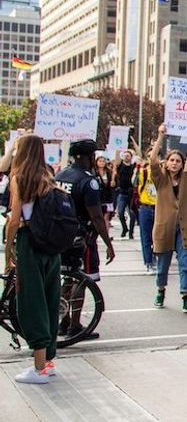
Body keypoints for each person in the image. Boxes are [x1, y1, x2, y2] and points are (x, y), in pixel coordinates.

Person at [5, 135, 64, 383]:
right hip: (51, 246)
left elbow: (15, 218)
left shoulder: (20, 178)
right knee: (50, 300)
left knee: (31, 302)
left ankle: (39, 368)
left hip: (30, 243)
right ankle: (48, 361)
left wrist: (9, 245)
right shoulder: (48, 176)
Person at [55, 139, 116, 340]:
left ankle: (62, 321)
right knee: (81, 279)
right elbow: (96, 216)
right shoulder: (88, 180)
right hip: (81, 237)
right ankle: (74, 325)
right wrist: (108, 243)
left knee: (66, 279)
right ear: (90, 157)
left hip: (60, 235)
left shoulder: (61, 175)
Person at [148, 125, 187, 313]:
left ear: (182, 164)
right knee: (163, 264)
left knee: (185, 264)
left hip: (184, 228)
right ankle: (160, 290)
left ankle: (186, 297)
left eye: (178, 161)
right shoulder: (160, 178)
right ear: (167, 162)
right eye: (171, 160)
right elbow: (152, 160)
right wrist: (160, 136)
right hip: (165, 228)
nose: (174, 163)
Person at [135, 155, 159, 273]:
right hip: (145, 207)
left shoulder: (163, 173)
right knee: (146, 237)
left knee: (158, 237)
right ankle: (148, 262)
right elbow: (134, 183)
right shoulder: (143, 172)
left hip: (159, 208)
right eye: (150, 156)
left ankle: (156, 257)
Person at [113, 149, 137, 239]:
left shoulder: (133, 167)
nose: (127, 157)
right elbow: (116, 160)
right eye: (125, 155)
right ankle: (124, 228)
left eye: (128, 155)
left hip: (131, 193)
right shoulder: (120, 166)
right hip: (122, 192)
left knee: (132, 213)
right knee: (120, 212)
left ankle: (131, 232)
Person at [94, 155, 115, 226]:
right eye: (100, 161)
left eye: (103, 161)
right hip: (98, 197)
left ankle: (106, 234)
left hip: (107, 197)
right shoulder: (94, 172)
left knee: (106, 217)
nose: (102, 163)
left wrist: (113, 182)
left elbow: (114, 184)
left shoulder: (109, 172)